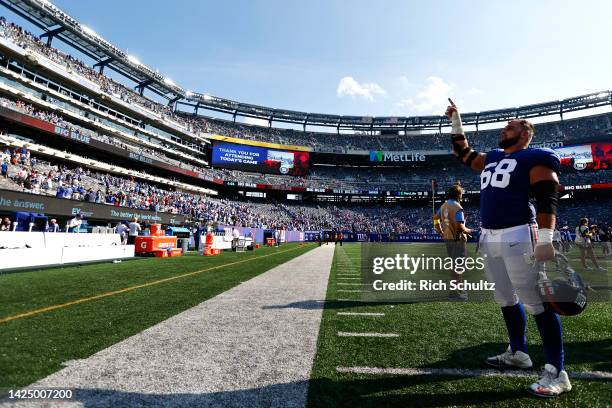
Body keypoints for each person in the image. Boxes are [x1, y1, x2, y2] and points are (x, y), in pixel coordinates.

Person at [445, 98, 571, 397]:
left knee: (535, 301)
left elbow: (546, 198)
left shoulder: (535, 158)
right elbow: (463, 153)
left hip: (518, 233)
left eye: (511, 126)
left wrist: (545, 238)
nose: (504, 129)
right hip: (489, 236)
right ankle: (518, 353)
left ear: (525, 133)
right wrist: (456, 121)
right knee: (504, 297)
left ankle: (557, 371)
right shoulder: (491, 158)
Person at [433, 183, 472, 300]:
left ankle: (456, 290)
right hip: (457, 240)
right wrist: (471, 231)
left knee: (454, 265)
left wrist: (440, 231)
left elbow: (435, 218)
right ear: (458, 195)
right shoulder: (458, 207)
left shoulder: (444, 206)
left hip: (448, 239)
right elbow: (461, 228)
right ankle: (455, 292)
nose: (462, 197)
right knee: (458, 266)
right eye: (461, 194)